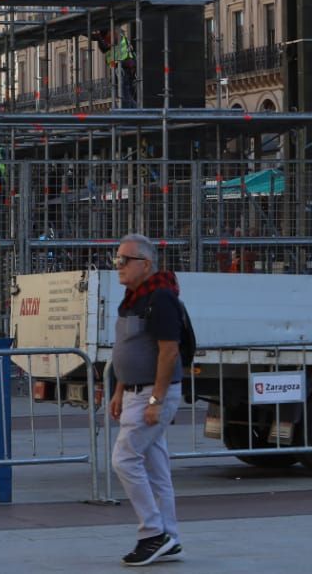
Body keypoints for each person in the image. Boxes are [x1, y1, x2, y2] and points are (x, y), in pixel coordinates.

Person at [108, 233, 184, 567]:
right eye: (116, 260)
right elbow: (131, 348)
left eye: (125, 260)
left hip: (151, 394)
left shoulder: (160, 299)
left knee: (124, 459)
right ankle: (170, 536)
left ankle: (153, 534)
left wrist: (156, 399)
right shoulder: (133, 298)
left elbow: (169, 351)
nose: (118, 266)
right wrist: (119, 390)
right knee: (156, 469)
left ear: (146, 264)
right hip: (135, 392)